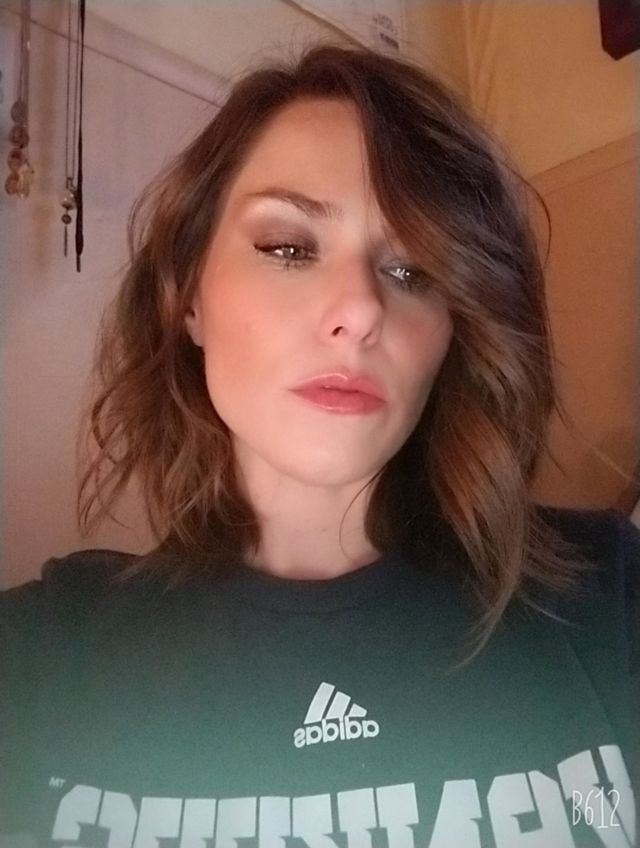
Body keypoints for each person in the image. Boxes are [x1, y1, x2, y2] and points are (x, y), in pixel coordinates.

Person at [1, 43, 638, 848]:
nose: (361, 309)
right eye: (289, 247)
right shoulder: (41, 659)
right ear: (188, 297)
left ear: (454, 330)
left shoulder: (608, 600)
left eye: (413, 271)